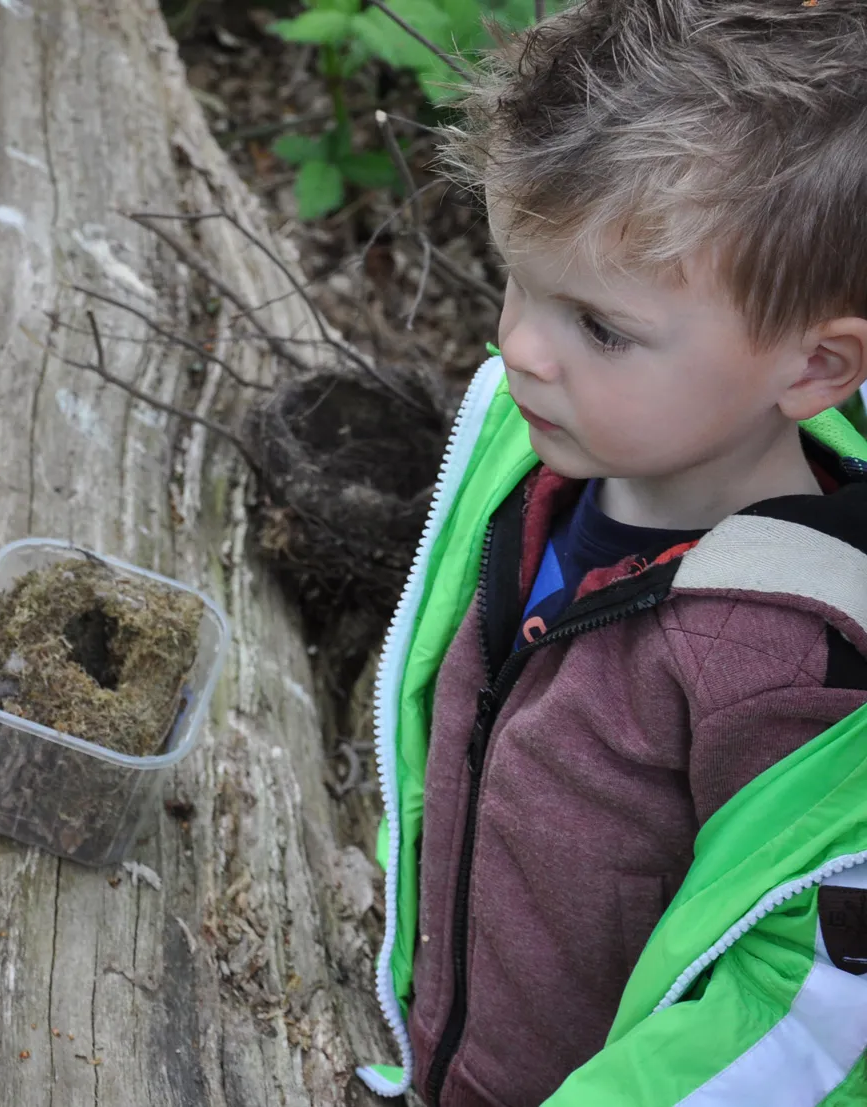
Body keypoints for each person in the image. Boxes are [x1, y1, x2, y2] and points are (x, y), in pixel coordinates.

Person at [355, 3, 867, 1105]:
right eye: (518, 280)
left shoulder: (798, 673)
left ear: (816, 367)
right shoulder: (539, 459)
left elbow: (802, 1024)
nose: (518, 346)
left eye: (599, 326)